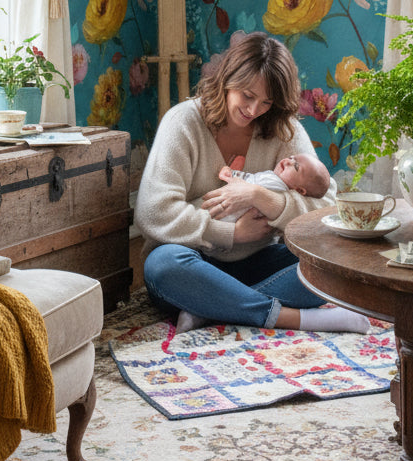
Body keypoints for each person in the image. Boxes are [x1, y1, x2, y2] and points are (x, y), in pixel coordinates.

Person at [134, 31, 370, 336]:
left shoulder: (283, 130)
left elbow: (325, 206)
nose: (254, 110)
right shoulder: (182, 122)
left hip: (258, 263)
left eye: (266, 102)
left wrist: (260, 196)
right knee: (162, 265)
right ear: (227, 79)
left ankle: (209, 306)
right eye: (247, 95)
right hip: (192, 263)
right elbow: (153, 213)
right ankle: (292, 317)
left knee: (332, 261)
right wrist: (232, 233)